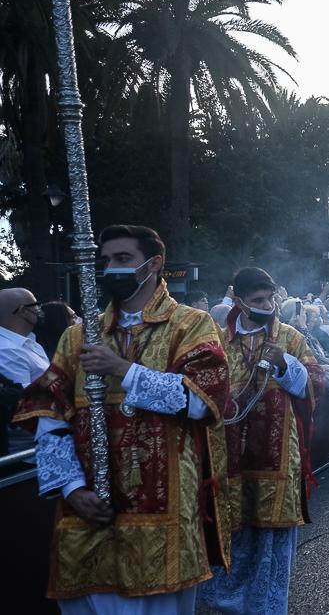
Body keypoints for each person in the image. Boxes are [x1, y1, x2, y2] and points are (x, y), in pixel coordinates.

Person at [13, 224, 232, 613]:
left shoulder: (191, 325)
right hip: (90, 513)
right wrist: (71, 490)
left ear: (154, 264)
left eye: (123, 259)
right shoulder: (77, 337)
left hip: (162, 516)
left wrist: (123, 370)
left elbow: (200, 401)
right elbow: (50, 420)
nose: (111, 268)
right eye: (106, 260)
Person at [200, 267, 322, 614]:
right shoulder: (218, 340)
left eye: (270, 298)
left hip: (277, 460)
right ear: (238, 300)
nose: (267, 305)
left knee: (273, 546)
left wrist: (285, 366)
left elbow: (317, 383)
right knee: (235, 541)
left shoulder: (290, 337)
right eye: (258, 300)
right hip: (230, 461)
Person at [0, 289, 50, 458]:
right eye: (35, 305)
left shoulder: (28, 342)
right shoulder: (6, 350)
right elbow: (23, 411)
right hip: (31, 457)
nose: (40, 310)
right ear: (22, 311)